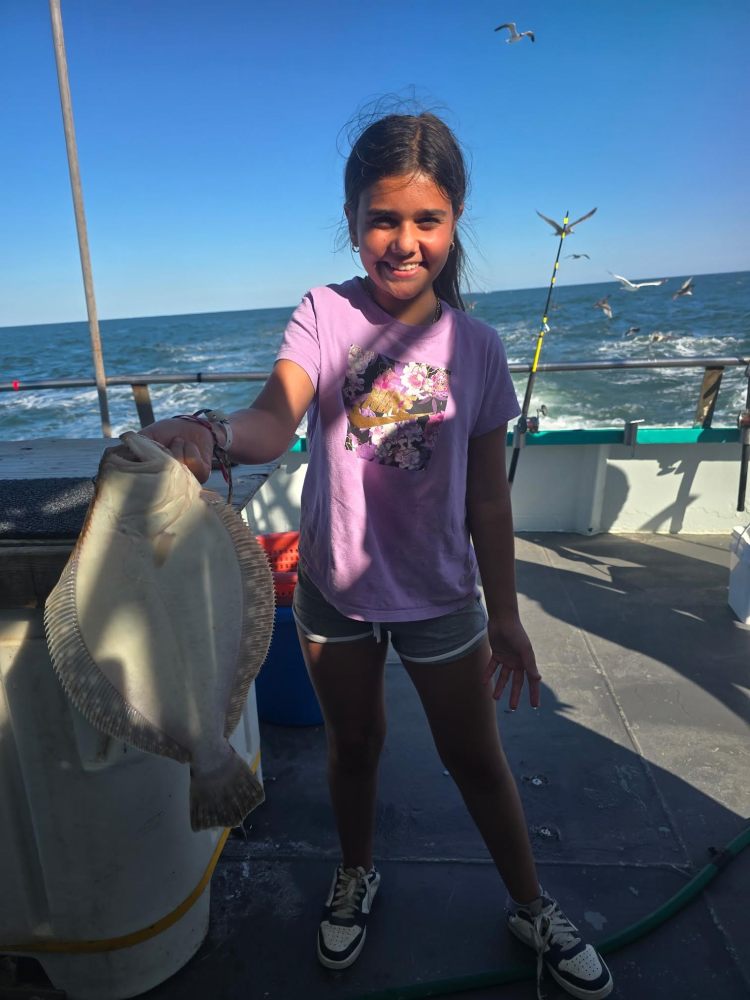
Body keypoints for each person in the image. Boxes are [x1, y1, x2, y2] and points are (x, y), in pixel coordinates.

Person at [141, 110, 613, 1000]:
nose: (403, 242)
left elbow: (486, 497)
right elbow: (276, 419)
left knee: (476, 759)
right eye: (381, 220)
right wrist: (210, 431)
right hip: (334, 595)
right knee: (351, 747)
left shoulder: (478, 347)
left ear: (456, 217)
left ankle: (531, 901)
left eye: (425, 220)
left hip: (442, 597)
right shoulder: (324, 314)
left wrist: (505, 615)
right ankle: (356, 872)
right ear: (353, 219)